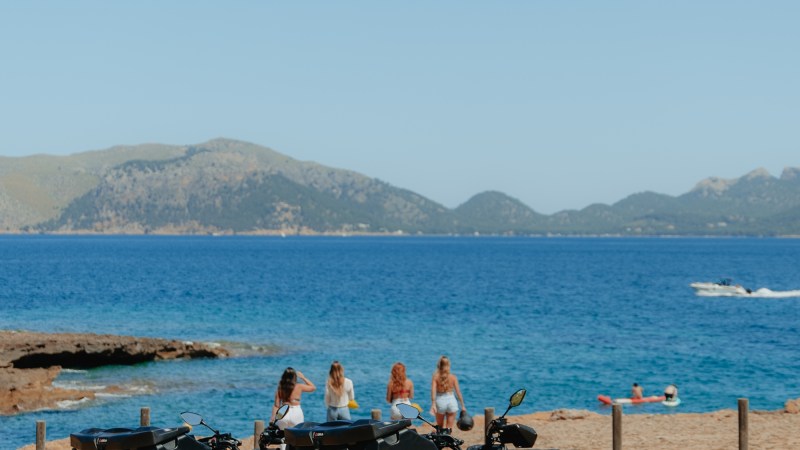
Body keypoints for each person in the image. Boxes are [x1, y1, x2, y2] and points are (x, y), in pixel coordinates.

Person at [430, 356, 466, 433]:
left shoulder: (435, 377)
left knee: (439, 427)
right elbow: (458, 392)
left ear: (439, 364)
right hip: (451, 401)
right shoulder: (453, 377)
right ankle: (448, 443)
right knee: (449, 428)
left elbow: (433, 391)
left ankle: (440, 444)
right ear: (448, 365)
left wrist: (433, 404)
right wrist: (462, 406)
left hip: (440, 401)